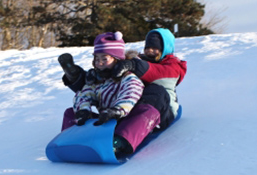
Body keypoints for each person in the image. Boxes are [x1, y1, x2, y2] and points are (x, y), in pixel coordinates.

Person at [59, 28, 187, 154]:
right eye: (147, 48)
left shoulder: (172, 65)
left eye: (155, 48)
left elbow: (152, 75)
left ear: (166, 48)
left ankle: (121, 141)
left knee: (155, 91)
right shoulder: (136, 61)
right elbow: (87, 91)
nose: (150, 51)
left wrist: (133, 65)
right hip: (123, 111)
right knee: (88, 90)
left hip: (160, 111)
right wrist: (84, 109)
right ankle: (69, 137)